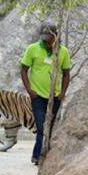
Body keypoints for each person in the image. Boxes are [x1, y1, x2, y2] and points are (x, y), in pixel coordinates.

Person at [20, 23, 71, 165]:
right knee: (41, 126)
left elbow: (66, 74)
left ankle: (45, 155)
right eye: (44, 39)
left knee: (52, 125)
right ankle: (38, 155)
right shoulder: (32, 49)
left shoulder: (63, 52)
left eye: (49, 39)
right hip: (37, 96)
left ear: (56, 36)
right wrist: (30, 90)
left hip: (54, 96)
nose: (46, 42)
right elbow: (24, 70)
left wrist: (62, 93)